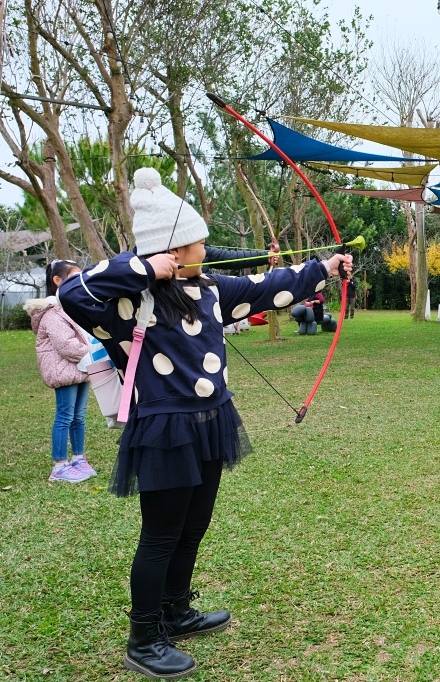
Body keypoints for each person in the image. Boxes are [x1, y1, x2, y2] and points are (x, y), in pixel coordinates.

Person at [58, 167, 352, 680]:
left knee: (194, 525)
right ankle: (144, 637)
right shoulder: (130, 300)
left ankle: (175, 610)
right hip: (164, 428)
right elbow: (73, 294)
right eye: (194, 244)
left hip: (211, 421)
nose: (204, 250)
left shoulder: (213, 289)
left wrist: (324, 266)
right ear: (169, 251)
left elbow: (269, 286)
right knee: (161, 534)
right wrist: (146, 269)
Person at [24, 260, 98, 483]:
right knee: (65, 416)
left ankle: (78, 458)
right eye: (74, 278)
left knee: (79, 417)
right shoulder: (52, 312)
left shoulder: (70, 307)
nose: (80, 283)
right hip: (66, 372)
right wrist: (92, 352)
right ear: (57, 281)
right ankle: (59, 466)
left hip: (81, 369)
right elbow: (67, 345)